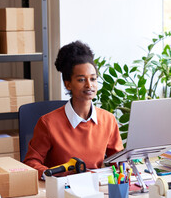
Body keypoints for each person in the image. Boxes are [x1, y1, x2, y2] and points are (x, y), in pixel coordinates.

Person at [23, 41, 124, 179]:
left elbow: (118, 161)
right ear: (68, 84)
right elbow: (31, 163)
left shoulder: (108, 120)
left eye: (93, 79)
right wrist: (53, 178)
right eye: (81, 80)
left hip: (97, 189)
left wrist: (124, 166)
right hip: (61, 191)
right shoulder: (48, 123)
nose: (89, 85)